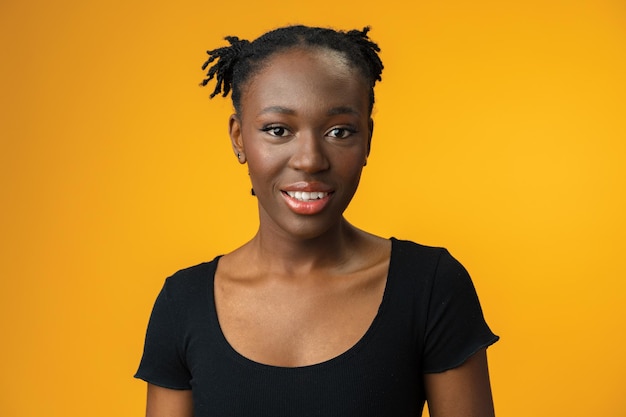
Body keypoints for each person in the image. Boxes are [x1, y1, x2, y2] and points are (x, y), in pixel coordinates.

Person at [135, 25, 499, 417]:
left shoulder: (430, 288)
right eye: (278, 130)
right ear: (239, 138)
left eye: (339, 131)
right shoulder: (183, 304)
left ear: (368, 140)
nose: (310, 159)